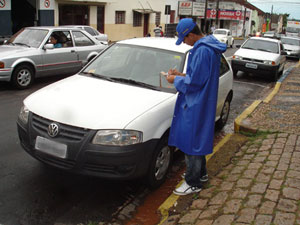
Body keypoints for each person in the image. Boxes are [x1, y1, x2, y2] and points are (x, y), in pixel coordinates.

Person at [165, 18, 226, 195]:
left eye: (184, 39)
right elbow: (198, 75)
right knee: (197, 139)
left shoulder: (202, 51)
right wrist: (181, 74)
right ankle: (202, 174)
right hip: (204, 99)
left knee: (190, 141)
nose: (184, 42)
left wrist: (174, 79)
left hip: (197, 101)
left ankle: (193, 182)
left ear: (191, 35)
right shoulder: (210, 47)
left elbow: (194, 82)